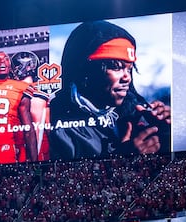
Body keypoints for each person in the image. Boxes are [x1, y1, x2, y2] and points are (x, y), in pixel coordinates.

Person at [49, 19, 171, 160]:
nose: (127, 78)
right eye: (116, 67)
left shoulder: (135, 113)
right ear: (86, 70)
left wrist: (166, 133)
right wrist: (122, 162)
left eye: (130, 69)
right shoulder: (55, 128)